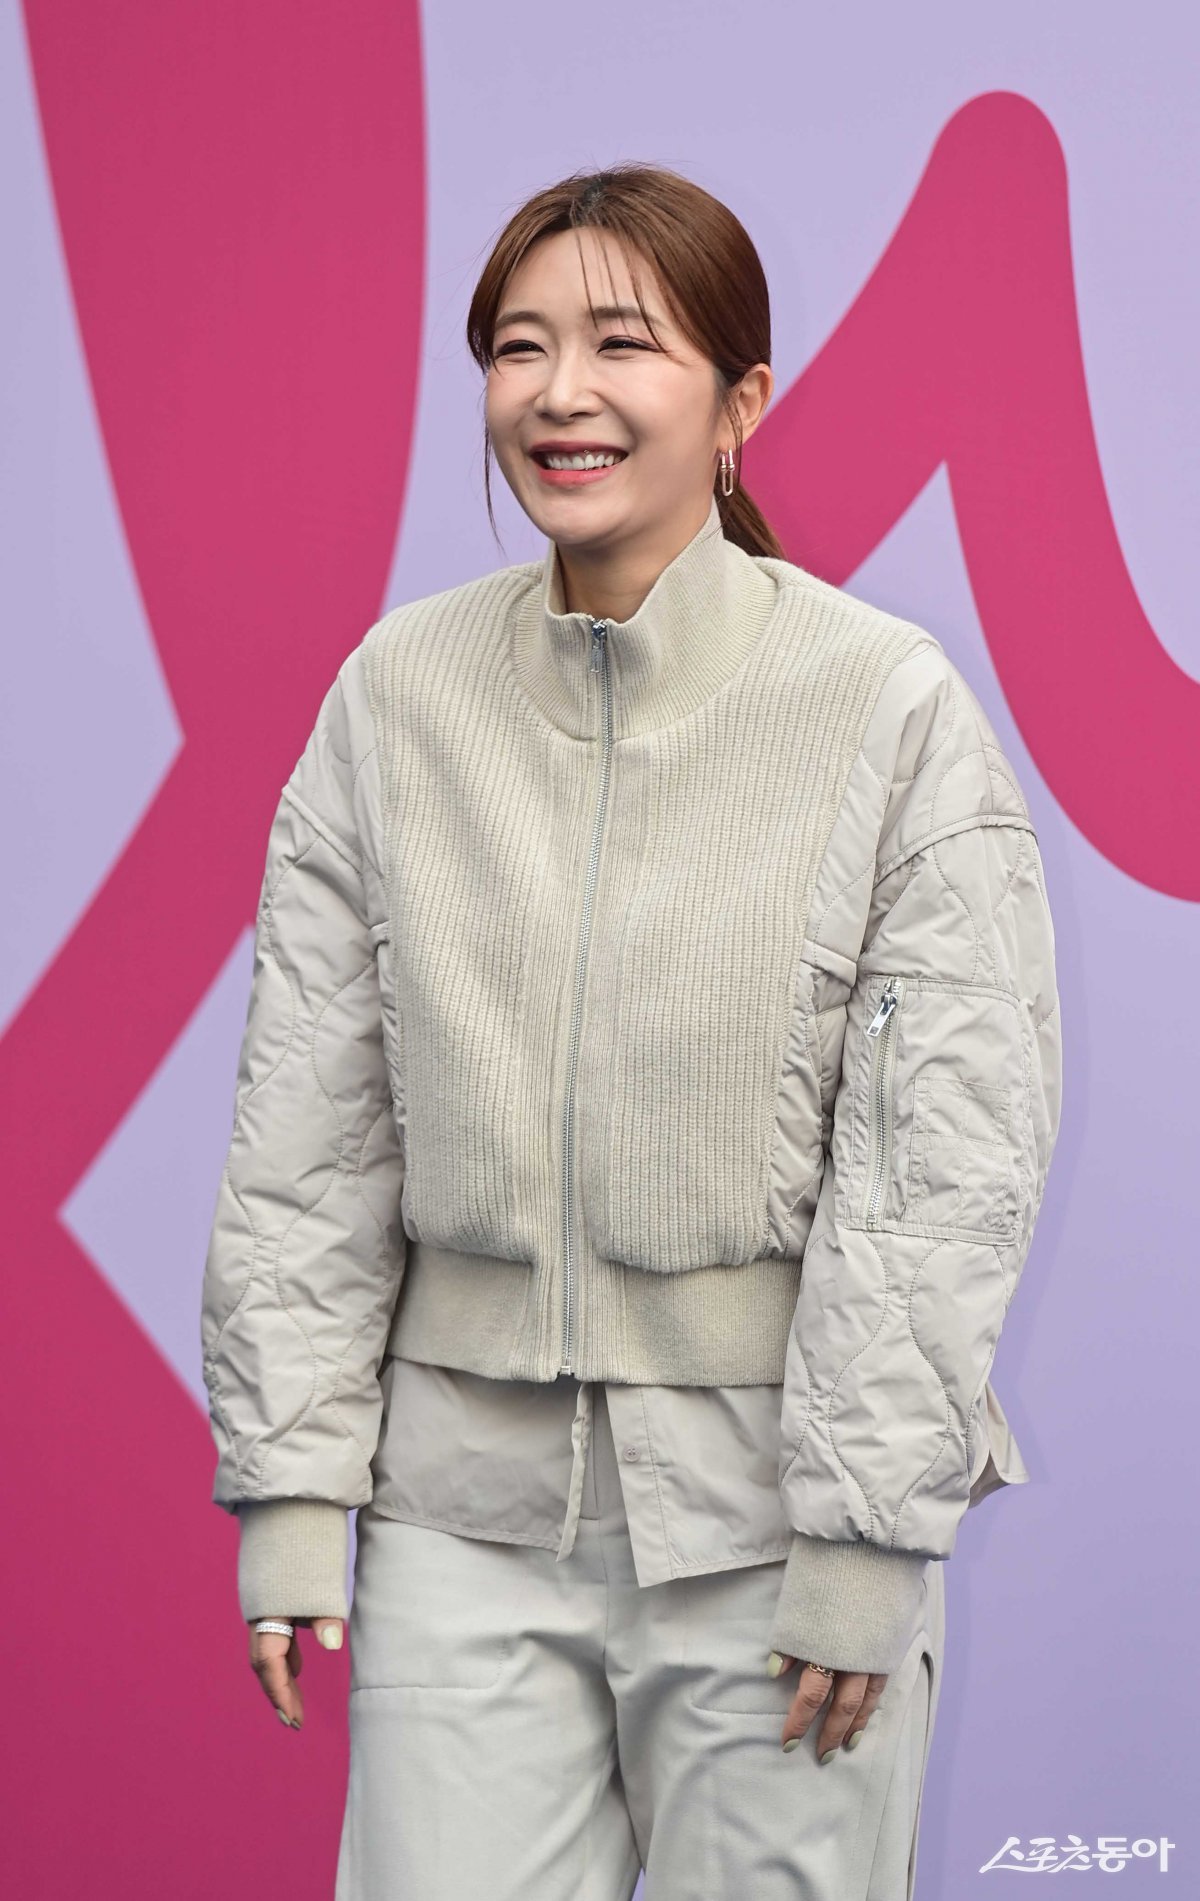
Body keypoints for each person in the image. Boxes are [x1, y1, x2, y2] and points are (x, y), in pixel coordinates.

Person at [201, 163, 1062, 1900]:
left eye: (622, 342)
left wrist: (862, 1534)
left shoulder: (884, 707)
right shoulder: (396, 696)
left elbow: (940, 1156)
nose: (560, 392)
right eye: (519, 348)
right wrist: (292, 1486)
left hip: (770, 1528)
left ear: (741, 402)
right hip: (458, 1525)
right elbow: (310, 1122)